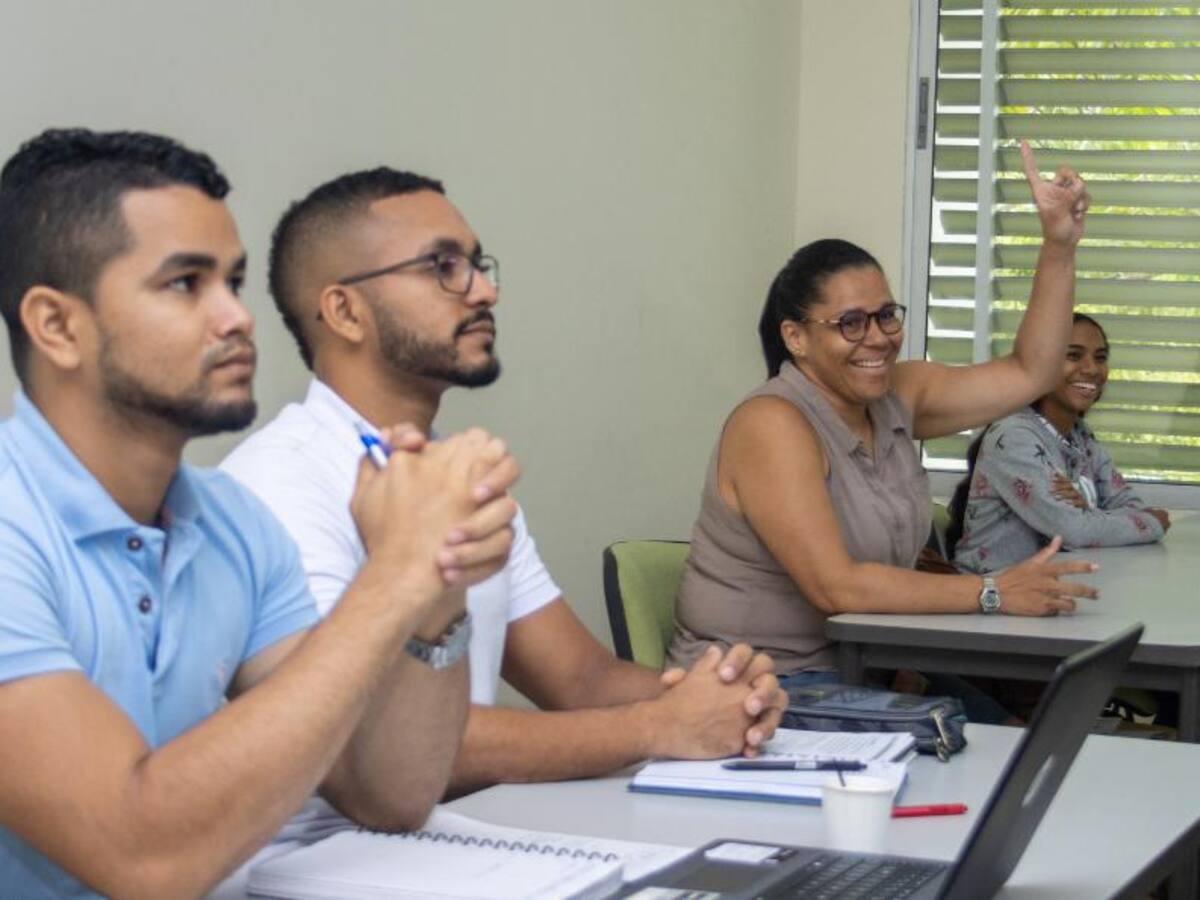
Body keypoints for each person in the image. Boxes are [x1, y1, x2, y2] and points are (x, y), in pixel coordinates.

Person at [0, 129, 519, 899]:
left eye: (233, 283)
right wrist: (396, 574)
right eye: (185, 284)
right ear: (56, 326)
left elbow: (390, 794)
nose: (237, 319)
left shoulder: (233, 522)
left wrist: (437, 588)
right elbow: (141, 856)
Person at [220, 167, 787, 820]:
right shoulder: (279, 483)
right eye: (442, 267)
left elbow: (581, 678)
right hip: (323, 868)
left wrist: (718, 698)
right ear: (346, 311)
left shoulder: (450, 472)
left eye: (478, 264)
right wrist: (660, 728)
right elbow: (381, 747)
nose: (483, 290)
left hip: (460, 845)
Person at [667, 142, 1100, 686]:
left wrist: (1059, 246)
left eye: (885, 316)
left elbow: (1032, 374)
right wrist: (992, 592)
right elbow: (837, 588)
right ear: (795, 337)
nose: (877, 338)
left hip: (860, 667)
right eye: (851, 323)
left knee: (1026, 728)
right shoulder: (772, 424)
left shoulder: (900, 394)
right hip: (760, 690)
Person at [949, 313, 1169, 573]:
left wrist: (1087, 511)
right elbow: (1074, 530)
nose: (1091, 369)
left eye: (1100, 358)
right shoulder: (1013, 436)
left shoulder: (1080, 436)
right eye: (1074, 355)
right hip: (986, 595)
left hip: (1044, 590)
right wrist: (1152, 523)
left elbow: (1130, 506)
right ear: (1042, 366)